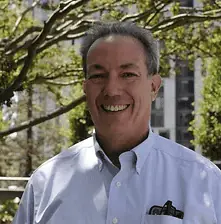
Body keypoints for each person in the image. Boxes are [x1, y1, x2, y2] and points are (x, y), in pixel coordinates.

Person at [13, 22, 221, 224]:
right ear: (85, 88)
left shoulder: (204, 181)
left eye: (128, 74)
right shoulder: (45, 183)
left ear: (154, 86)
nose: (112, 90)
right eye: (98, 76)